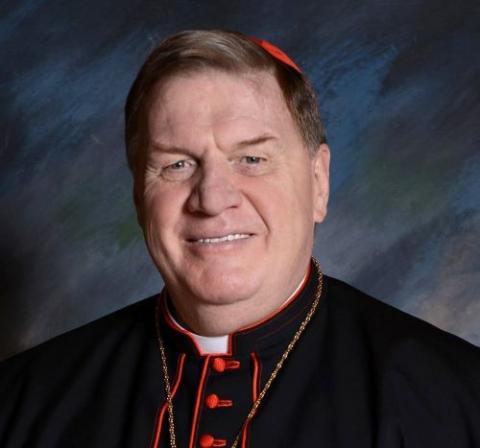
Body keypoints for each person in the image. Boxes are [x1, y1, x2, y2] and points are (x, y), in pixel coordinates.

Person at [1, 29, 479, 448]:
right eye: (176, 164)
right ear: (138, 196)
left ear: (319, 182)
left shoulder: (456, 399)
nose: (212, 198)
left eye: (251, 159)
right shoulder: (25, 401)